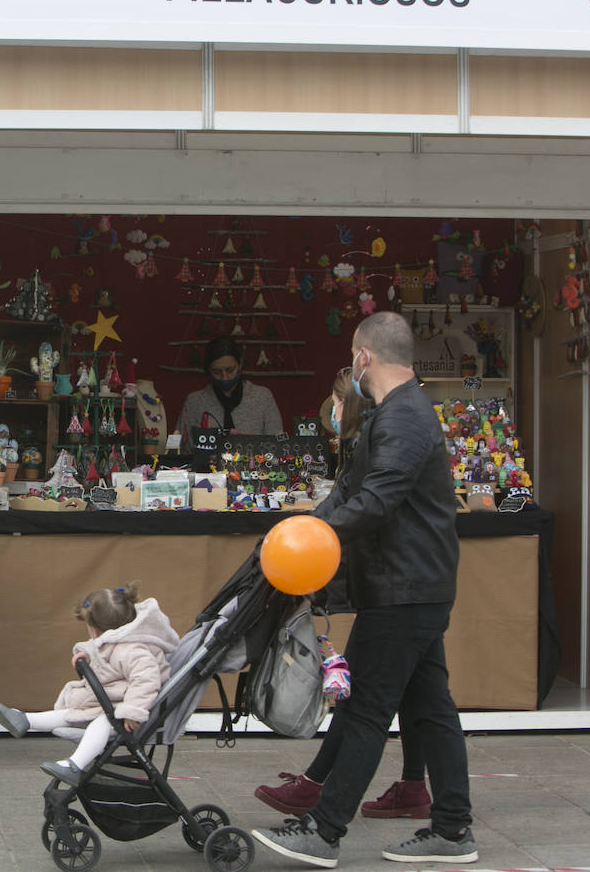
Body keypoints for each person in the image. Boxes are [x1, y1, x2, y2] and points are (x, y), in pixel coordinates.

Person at [252, 311, 476, 867]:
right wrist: (301, 527)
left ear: (363, 358)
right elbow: (351, 492)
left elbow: (379, 500)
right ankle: (451, 831)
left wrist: (317, 534)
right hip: (413, 584)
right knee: (430, 709)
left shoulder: (403, 418)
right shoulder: (393, 414)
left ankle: (324, 833)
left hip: (406, 587)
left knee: (365, 708)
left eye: (352, 354)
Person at [253, 367, 433, 823]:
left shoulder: (383, 436)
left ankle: (324, 810)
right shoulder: (378, 435)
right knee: (422, 694)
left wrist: (312, 531)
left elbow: (366, 504)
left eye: (334, 404)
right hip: (409, 580)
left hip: (398, 582)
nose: (330, 413)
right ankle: (418, 791)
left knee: (366, 698)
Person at [0, 583, 180, 786]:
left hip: (129, 713)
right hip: (111, 702)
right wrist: (87, 654)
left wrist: (133, 712)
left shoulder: (134, 650)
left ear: (96, 630)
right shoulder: (120, 640)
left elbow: (146, 681)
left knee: (101, 722)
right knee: (74, 711)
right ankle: (25, 720)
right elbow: (103, 651)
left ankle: (75, 765)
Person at [175, 336, 283, 443]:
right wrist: (199, 437)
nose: (224, 377)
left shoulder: (263, 397)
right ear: (208, 370)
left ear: (240, 364)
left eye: (230, 370)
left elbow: (278, 445)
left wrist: (254, 442)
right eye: (217, 372)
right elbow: (180, 450)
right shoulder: (194, 402)